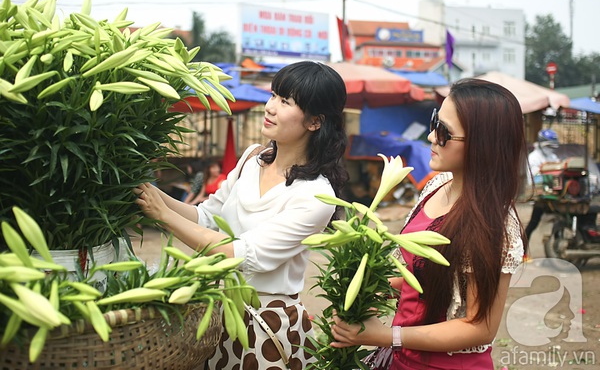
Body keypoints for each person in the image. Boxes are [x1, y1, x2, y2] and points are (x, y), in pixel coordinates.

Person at [134, 61, 349, 370]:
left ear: (315, 122)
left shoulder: (315, 195)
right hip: (218, 313)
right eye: (273, 95)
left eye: (285, 101)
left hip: (267, 327)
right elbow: (207, 216)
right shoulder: (251, 158)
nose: (270, 107)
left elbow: (239, 254)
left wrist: (163, 215)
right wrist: (150, 195)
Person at [329, 79, 527, 369]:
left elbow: (479, 327)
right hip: (400, 360)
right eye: (435, 122)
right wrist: (369, 290)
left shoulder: (494, 223)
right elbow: (416, 276)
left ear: (481, 144)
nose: (432, 137)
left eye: (445, 132)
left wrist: (386, 335)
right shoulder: (437, 185)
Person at [524, 128, 560, 246]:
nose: (550, 149)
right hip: (542, 197)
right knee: (533, 224)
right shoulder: (533, 157)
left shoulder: (553, 157)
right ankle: (523, 253)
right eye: (548, 146)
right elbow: (533, 179)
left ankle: (557, 250)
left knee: (560, 222)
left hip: (556, 196)